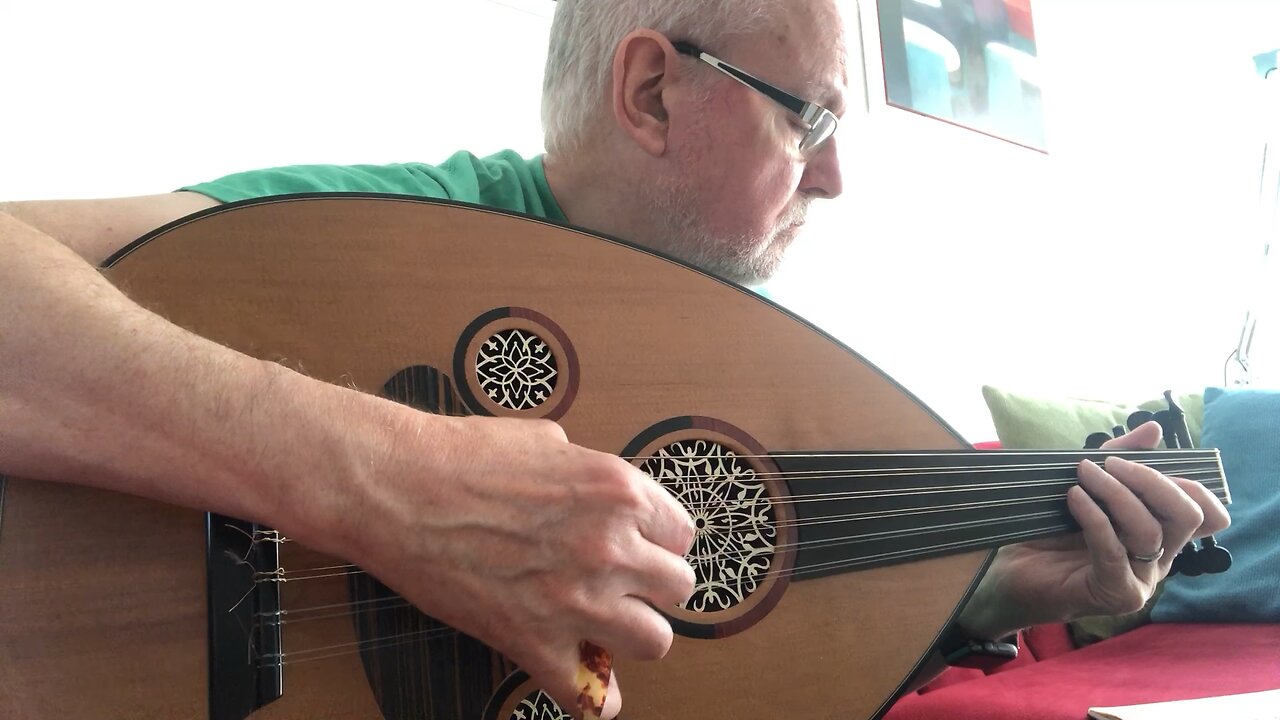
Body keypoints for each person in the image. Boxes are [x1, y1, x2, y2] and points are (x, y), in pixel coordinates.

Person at [0, 0, 1229, 717]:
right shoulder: (407, 234)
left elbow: (722, 606)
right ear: (649, 90)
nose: (837, 175)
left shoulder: (729, 354)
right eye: (810, 116)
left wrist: (1004, 588)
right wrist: (388, 483)